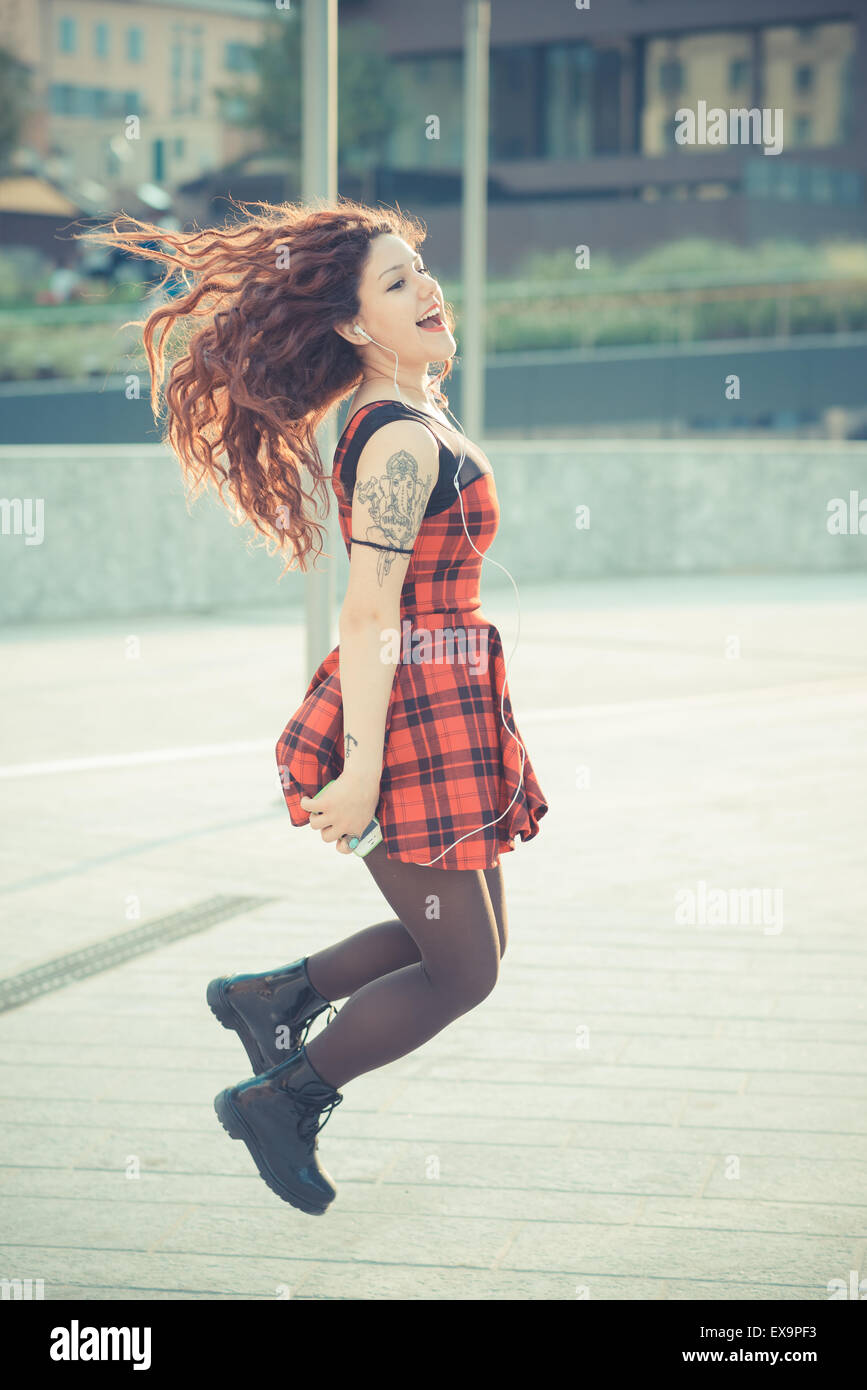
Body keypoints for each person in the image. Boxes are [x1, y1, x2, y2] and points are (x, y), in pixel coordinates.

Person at [78, 198, 548, 1217]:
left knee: (471, 947)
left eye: (420, 267)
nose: (427, 288)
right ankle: (283, 1099)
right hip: (412, 712)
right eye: (395, 283)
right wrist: (366, 766)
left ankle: (275, 997)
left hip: (445, 699)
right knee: (464, 973)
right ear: (350, 325)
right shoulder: (396, 441)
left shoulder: (413, 418)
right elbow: (369, 603)